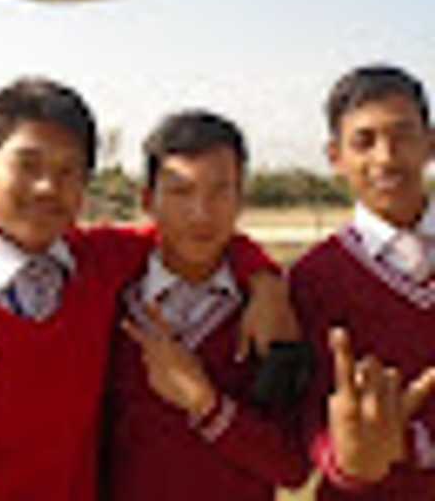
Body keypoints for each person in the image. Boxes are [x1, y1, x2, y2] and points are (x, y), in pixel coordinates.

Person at [0, 78, 295, 501]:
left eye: (69, 171)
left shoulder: (100, 266)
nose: (48, 187)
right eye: (27, 165)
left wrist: (266, 282)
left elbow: (189, 237)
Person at [106, 110, 308, 500]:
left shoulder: (273, 312)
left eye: (220, 191)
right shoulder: (109, 291)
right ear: (148, 201)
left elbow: (292, 467)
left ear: (241, 200)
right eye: (180, 192)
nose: (201, 213)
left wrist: (207, 404)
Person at [291, 65, 435, 499]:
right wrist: (351, 456)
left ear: (430, 143)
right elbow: (309, 419)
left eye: (402, 136)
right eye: (364, 141)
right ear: (336, 157)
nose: (386, 158)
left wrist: (412, 441)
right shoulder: (312, 278)